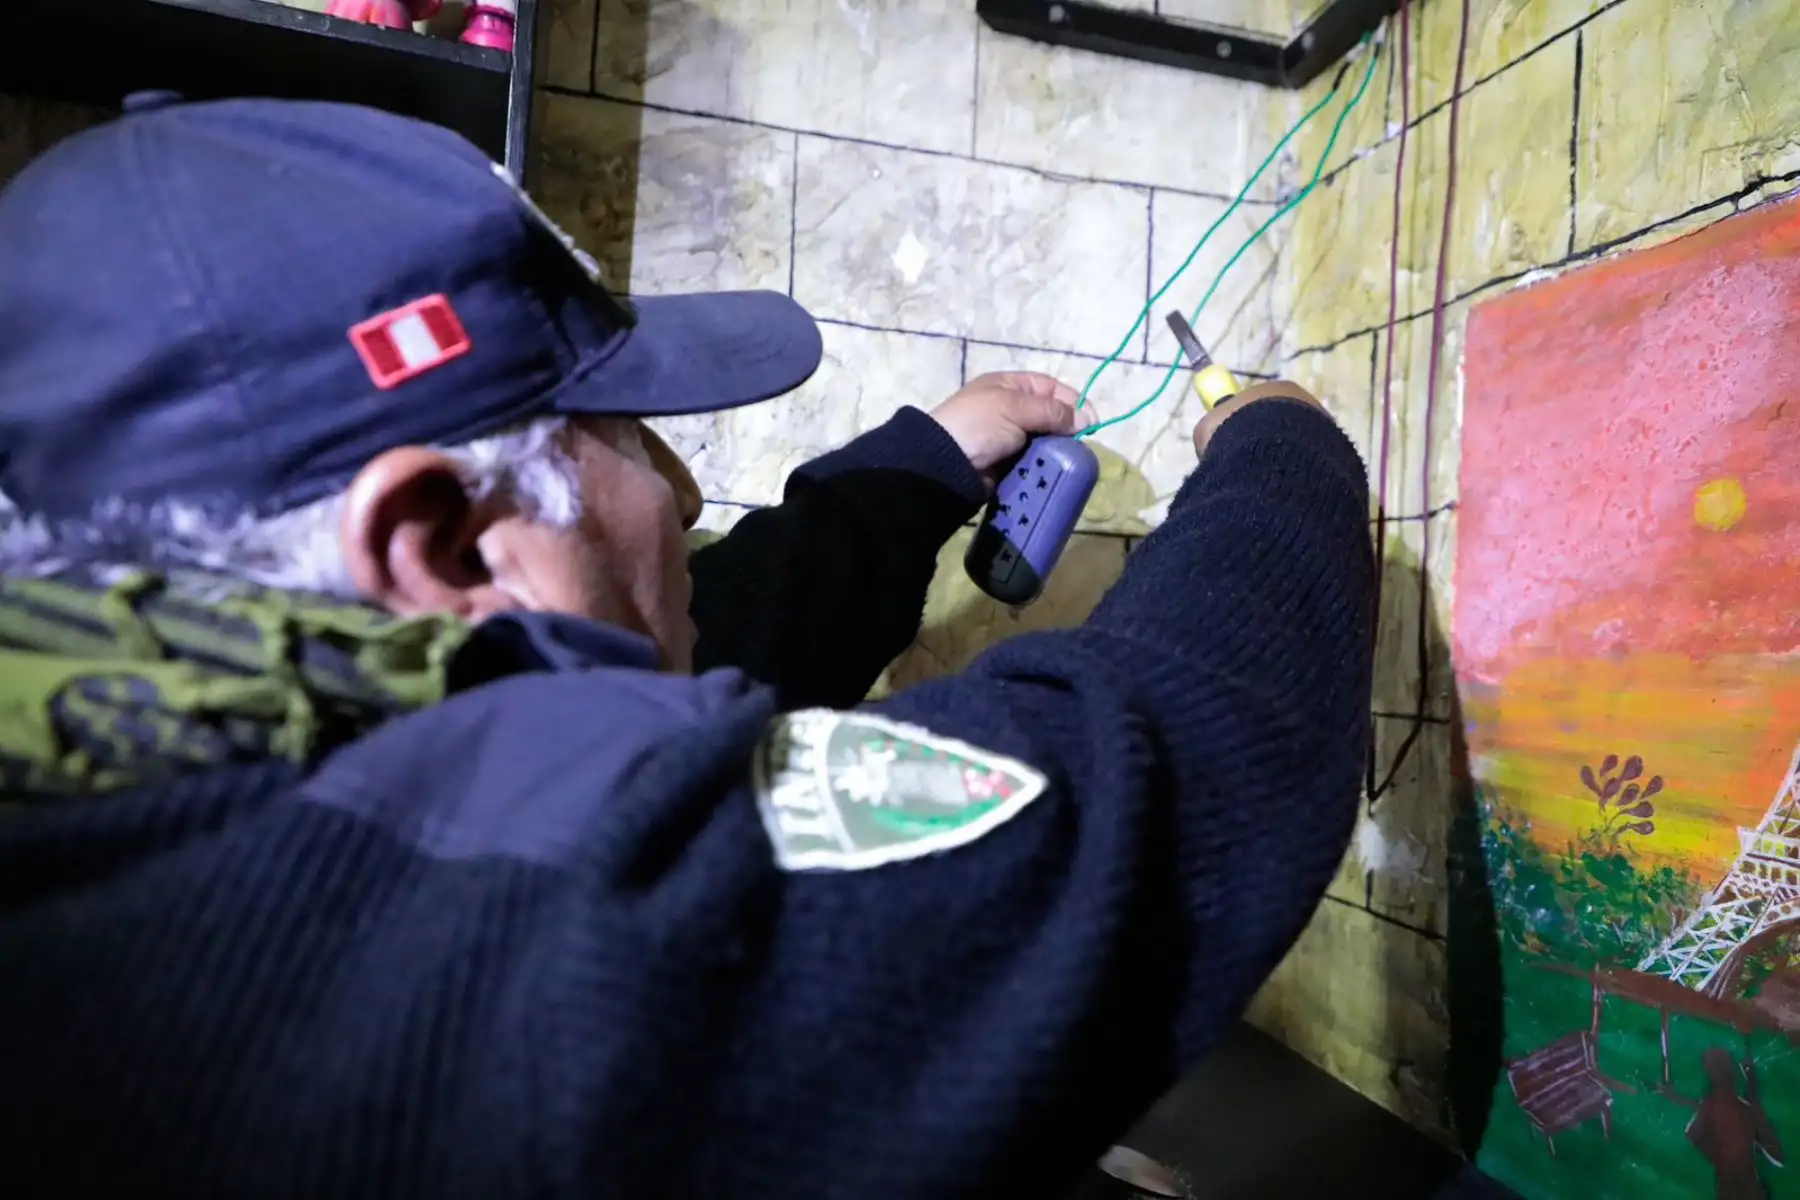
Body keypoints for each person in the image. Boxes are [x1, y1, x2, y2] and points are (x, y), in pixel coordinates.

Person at [0, 94, 1374, 1198]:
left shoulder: (132, 767)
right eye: (624, 440)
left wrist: (917, 469)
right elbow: (1189, 753)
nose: (684, 492)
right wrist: (1280, 441)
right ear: (447, 546)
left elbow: (649, 647)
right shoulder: (508, 936)